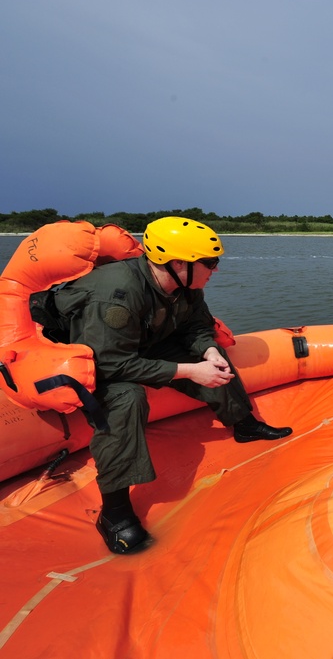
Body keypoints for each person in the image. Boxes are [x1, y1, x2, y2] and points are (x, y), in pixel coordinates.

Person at [43, 217, 292, 555]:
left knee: (214, 356)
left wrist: (207, 350)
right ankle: (114, 512)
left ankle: (244, 424)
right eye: (210, 263)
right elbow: (111, 363)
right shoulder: (116, 296)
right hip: (93, 355)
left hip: (137, 342)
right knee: (126, 399)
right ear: (178, 264)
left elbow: (197, 327)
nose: (215, 270)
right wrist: (189, 371)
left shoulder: (186, 285)